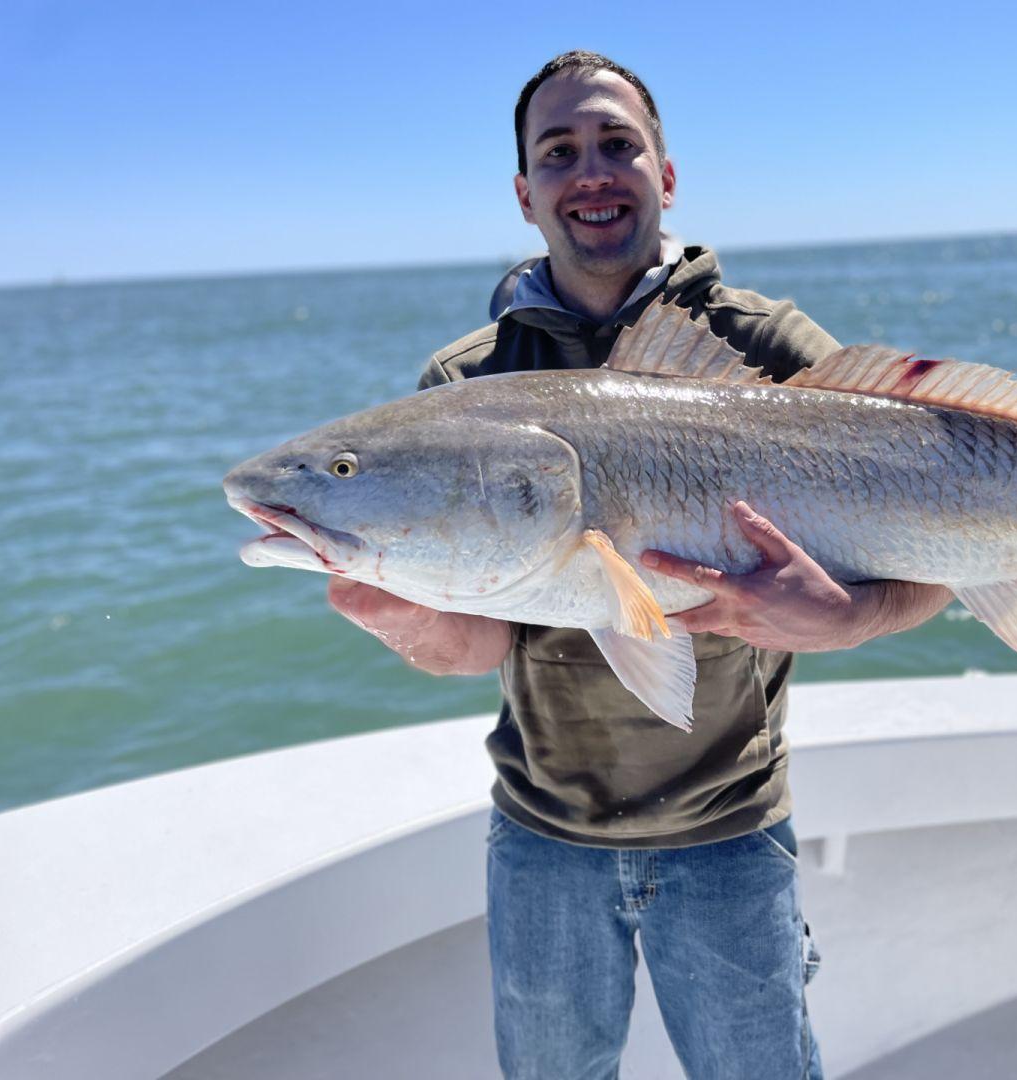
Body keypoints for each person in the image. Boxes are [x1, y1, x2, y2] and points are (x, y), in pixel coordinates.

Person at [328, 51, 953, 1079]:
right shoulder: (466, 385)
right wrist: (401, 611)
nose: (592, 170)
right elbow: (478, 637)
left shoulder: (771, 345)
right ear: (525, 192)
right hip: (542, 836)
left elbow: (942, 541)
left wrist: (850, 619)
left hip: (731, 831)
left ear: (666, 175)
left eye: (619, 144)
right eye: (560, 151)